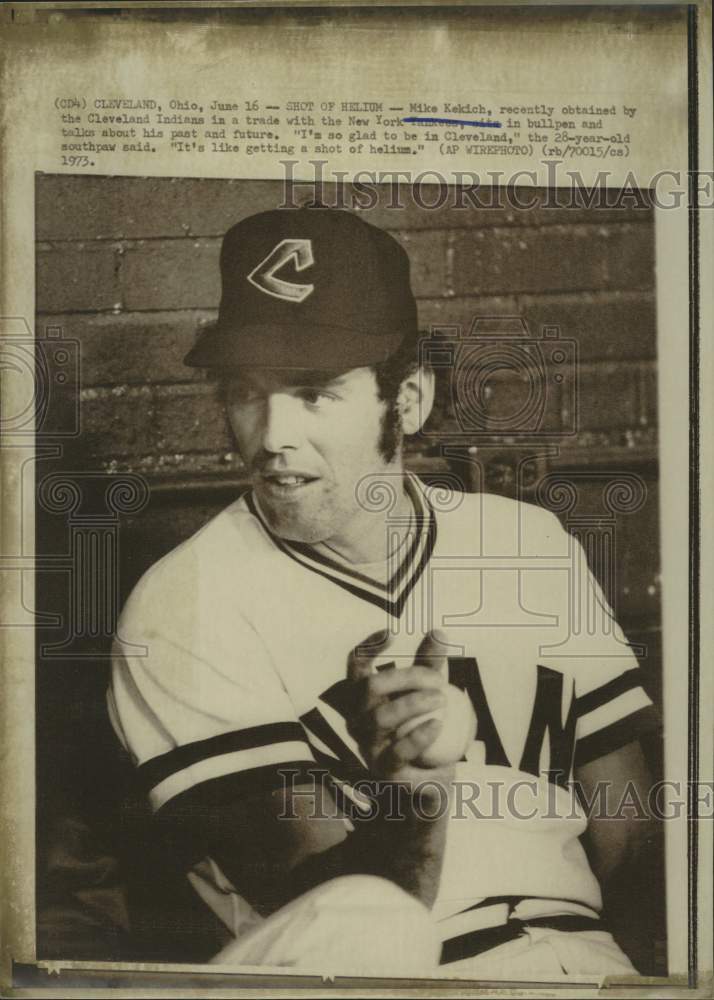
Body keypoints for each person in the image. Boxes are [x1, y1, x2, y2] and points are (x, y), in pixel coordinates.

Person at [108, 206, 659, 979]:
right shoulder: (183, 603)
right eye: (245, 391)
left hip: (583, 960)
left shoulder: (526, 544)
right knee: (368, 923)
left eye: (315, 392)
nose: (270, 436)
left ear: (409, 401)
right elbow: (312, 898)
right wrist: (417, 801)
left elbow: (632, 837)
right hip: (365, 978)